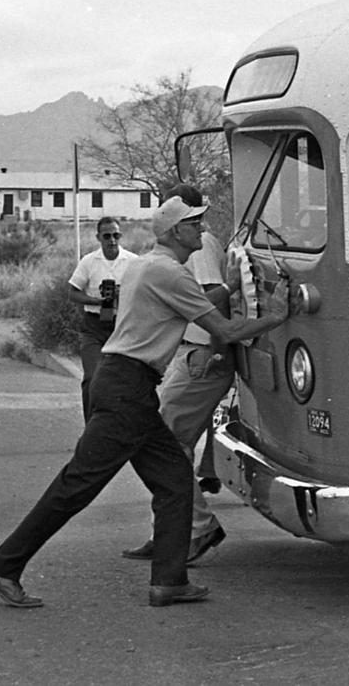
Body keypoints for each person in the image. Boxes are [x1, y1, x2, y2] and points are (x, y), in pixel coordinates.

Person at [0, 195, 289, 609]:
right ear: (177, 232)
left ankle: (169, 581)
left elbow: (190, 304)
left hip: (124, 383)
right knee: (78, 486)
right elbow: (225, 331)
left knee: (174, 481)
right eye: (195, 224)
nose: (202, 230)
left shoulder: (146, 265)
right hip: (128, 389)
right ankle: (4, 567)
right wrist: (277, 316)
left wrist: (228, 285)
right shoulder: (171, 274)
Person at [121, 184, 234, 565]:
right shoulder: (181, 251)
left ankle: (197, 526)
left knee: (165, 444)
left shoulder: (198, 247)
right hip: (189, 351)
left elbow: (209, 301)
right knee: (167, 444)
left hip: (200, 354)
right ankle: (170, 531)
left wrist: (213, 349)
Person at [67, 216, 137, 421]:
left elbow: (142, 293)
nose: (112, 240)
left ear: (121, 236)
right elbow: (73, 293)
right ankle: (92, 426)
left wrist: (120, 294)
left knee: (127, 379)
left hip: (122, 325)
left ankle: (124, 424)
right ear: (98, 237)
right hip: (94, 325)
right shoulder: (89, 261)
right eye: (107, 236)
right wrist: (96, 300)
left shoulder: (133, 261)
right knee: (92, 378)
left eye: (116, 235)